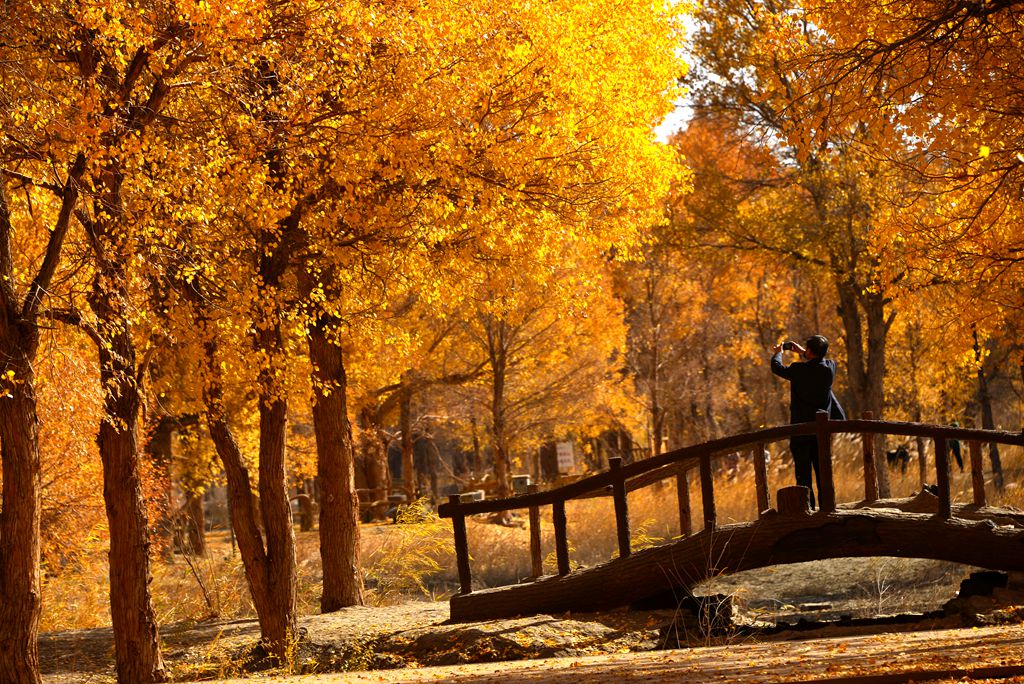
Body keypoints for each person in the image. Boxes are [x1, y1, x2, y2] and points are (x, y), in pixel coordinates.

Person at [770, 335, 841, 509]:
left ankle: (807, 509)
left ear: (810, 350)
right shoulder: (831, 368)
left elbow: (776, 367)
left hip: (800, 431)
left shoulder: (797, 370)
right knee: (822, 470)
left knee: (803, 474)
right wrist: (804, 353)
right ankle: (827, 508)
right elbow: (818, 363)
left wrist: (778, 352)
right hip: (821, 431)